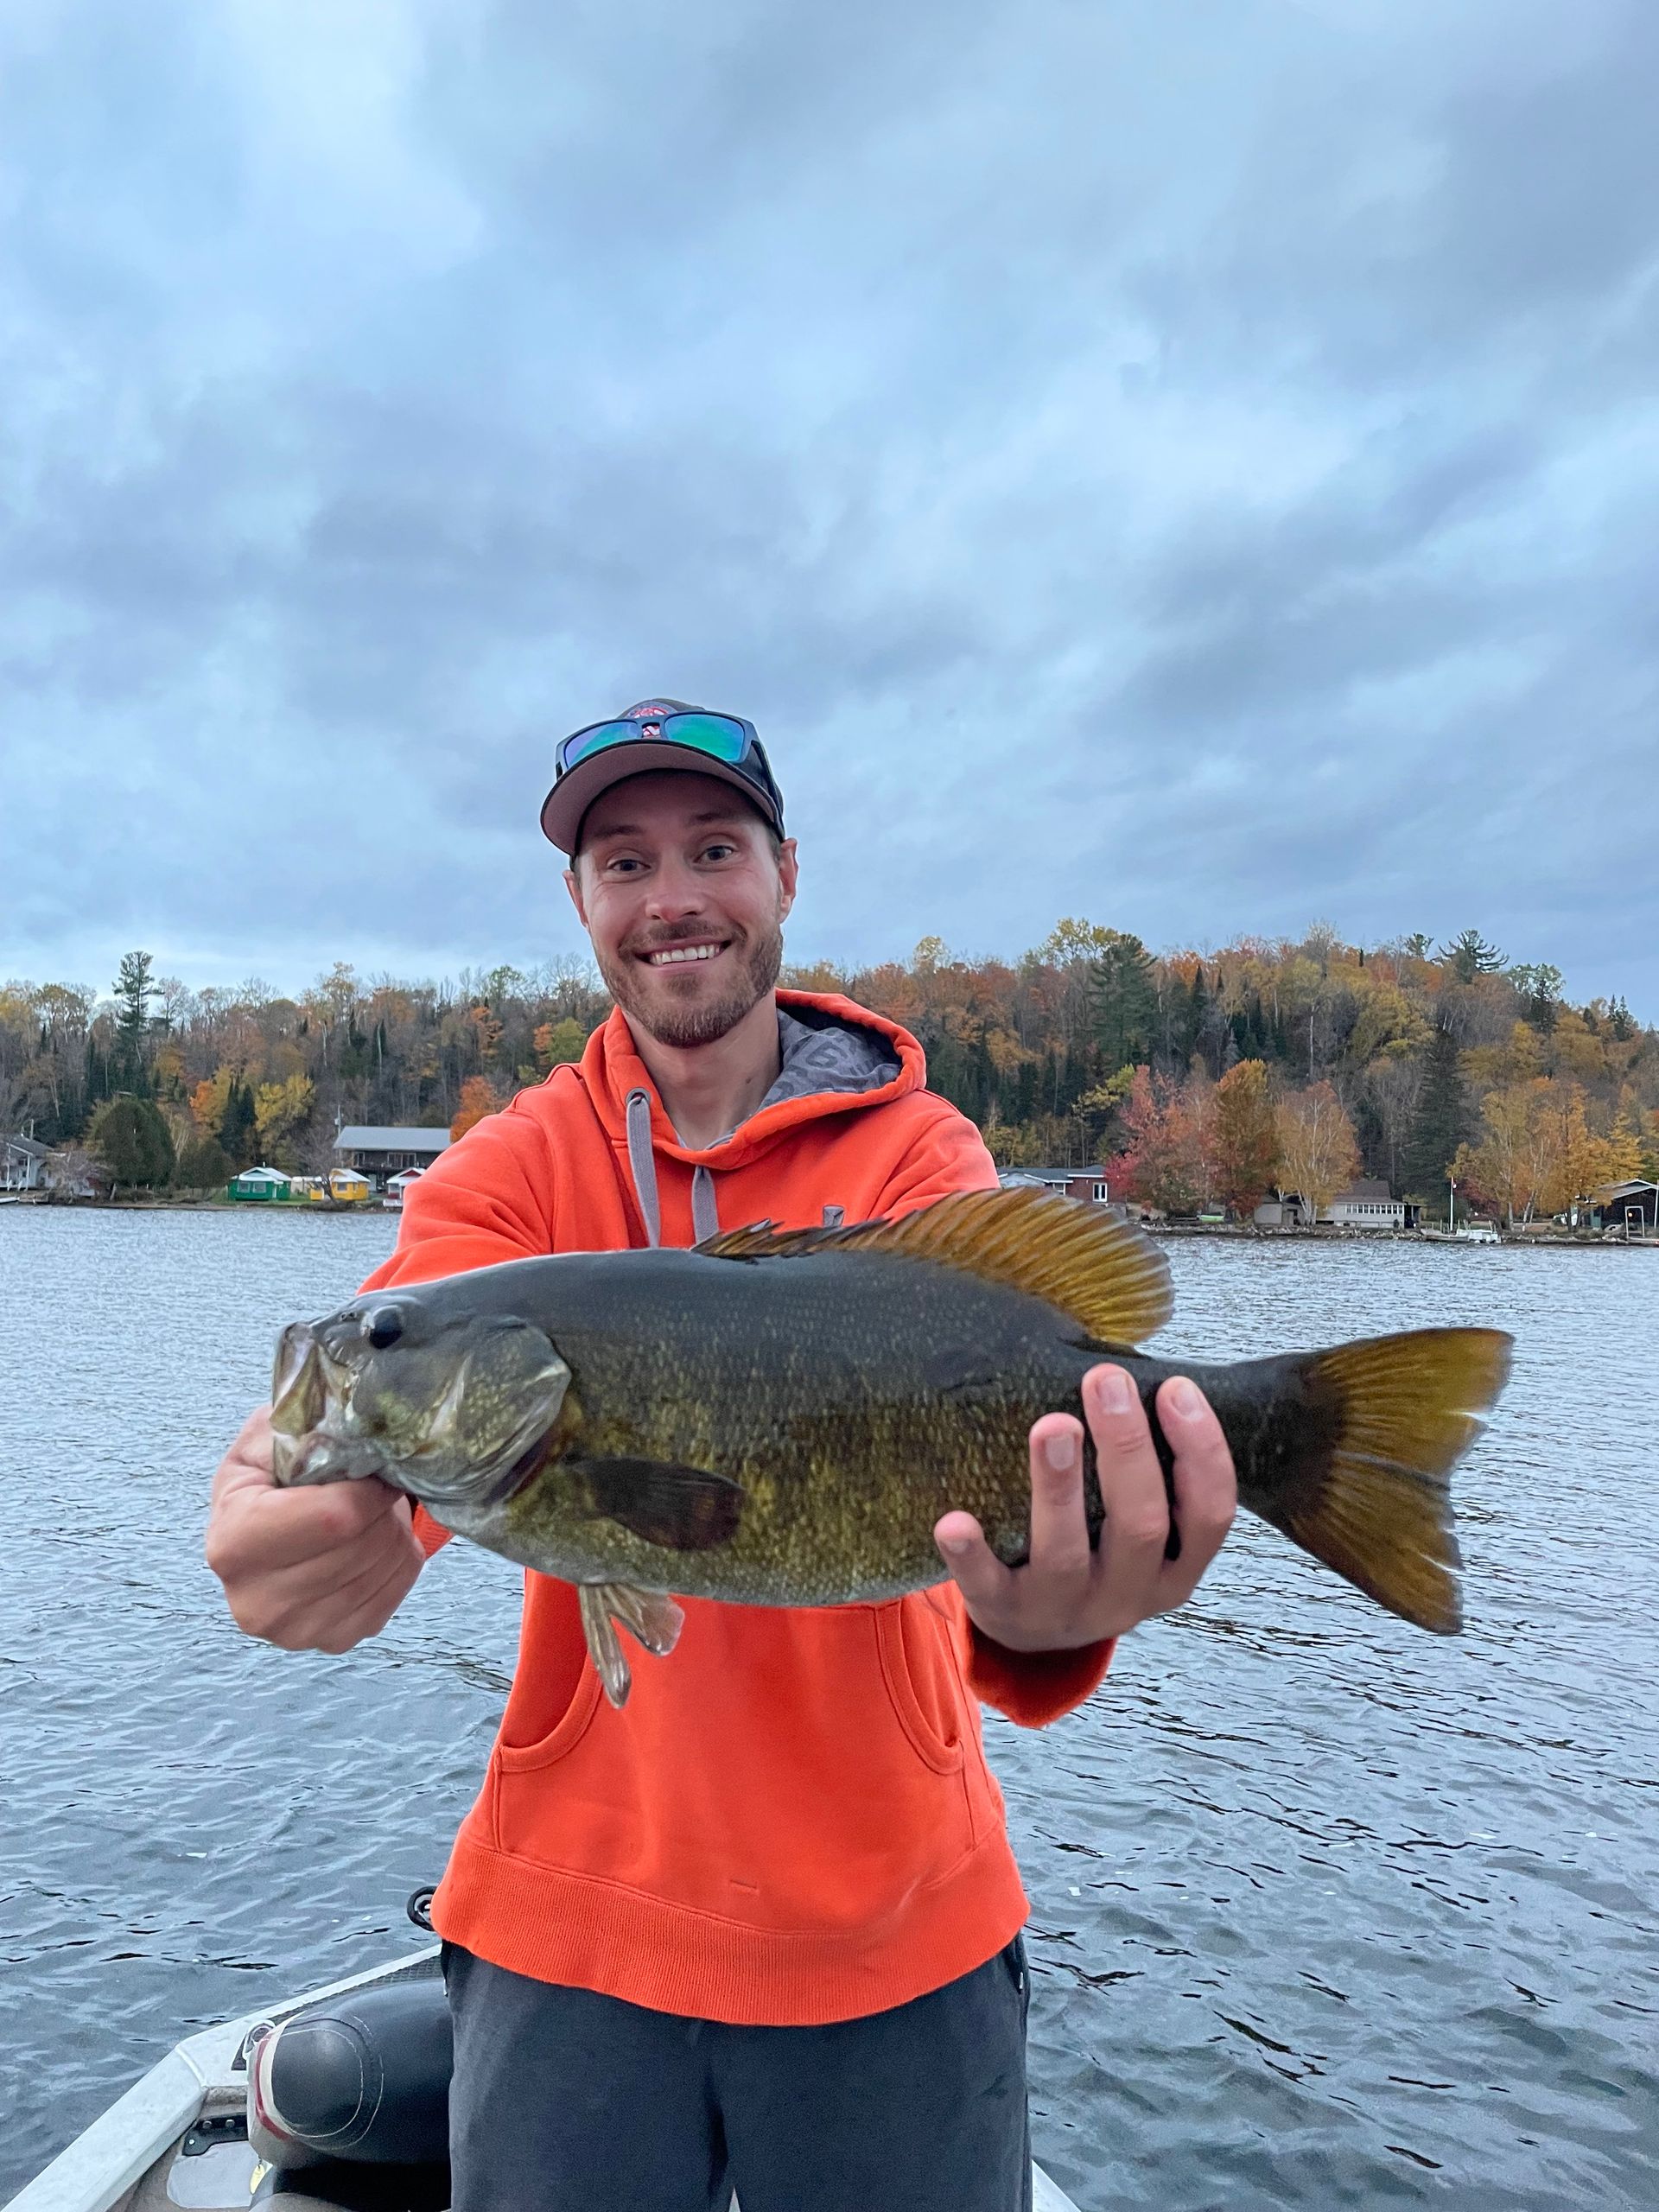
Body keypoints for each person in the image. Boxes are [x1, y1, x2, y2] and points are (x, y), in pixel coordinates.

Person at [207, 700, 1237, 2212]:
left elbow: (992, 1536)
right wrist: (304, 1521)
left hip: (897, 1927)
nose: (670, 894)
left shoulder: (920, 1158)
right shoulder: (512, 1170)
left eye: (712, 848)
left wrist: (1044, 1623)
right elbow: (383, 1364)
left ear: (784, 874)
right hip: (570, 1929)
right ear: (581, 904)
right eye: (623, 861)